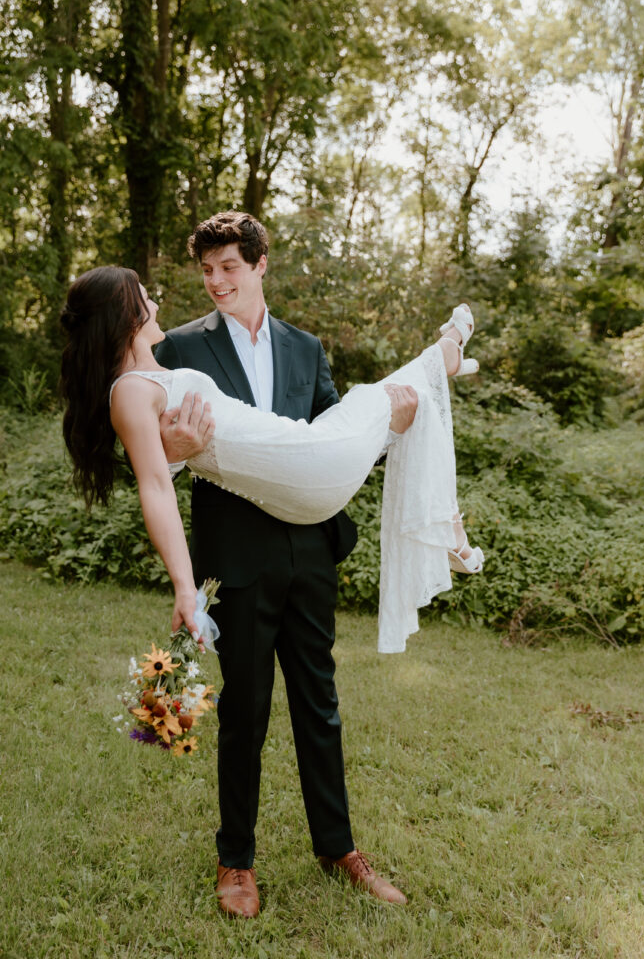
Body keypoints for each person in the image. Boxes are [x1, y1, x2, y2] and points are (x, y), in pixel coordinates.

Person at [60, 216, 482, 917]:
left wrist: (384, 433)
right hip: (243, 556)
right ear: (127, 314)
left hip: (312, 533)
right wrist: (185, 577)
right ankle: (236, 862)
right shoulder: (168, 358)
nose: (212, 282)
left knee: (320, 704)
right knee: (246, 712)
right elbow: (156, 475)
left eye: (230, 267)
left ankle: (338, 845)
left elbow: (318, 432)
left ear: (259, 266)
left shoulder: (298, 347)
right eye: (206, 271)